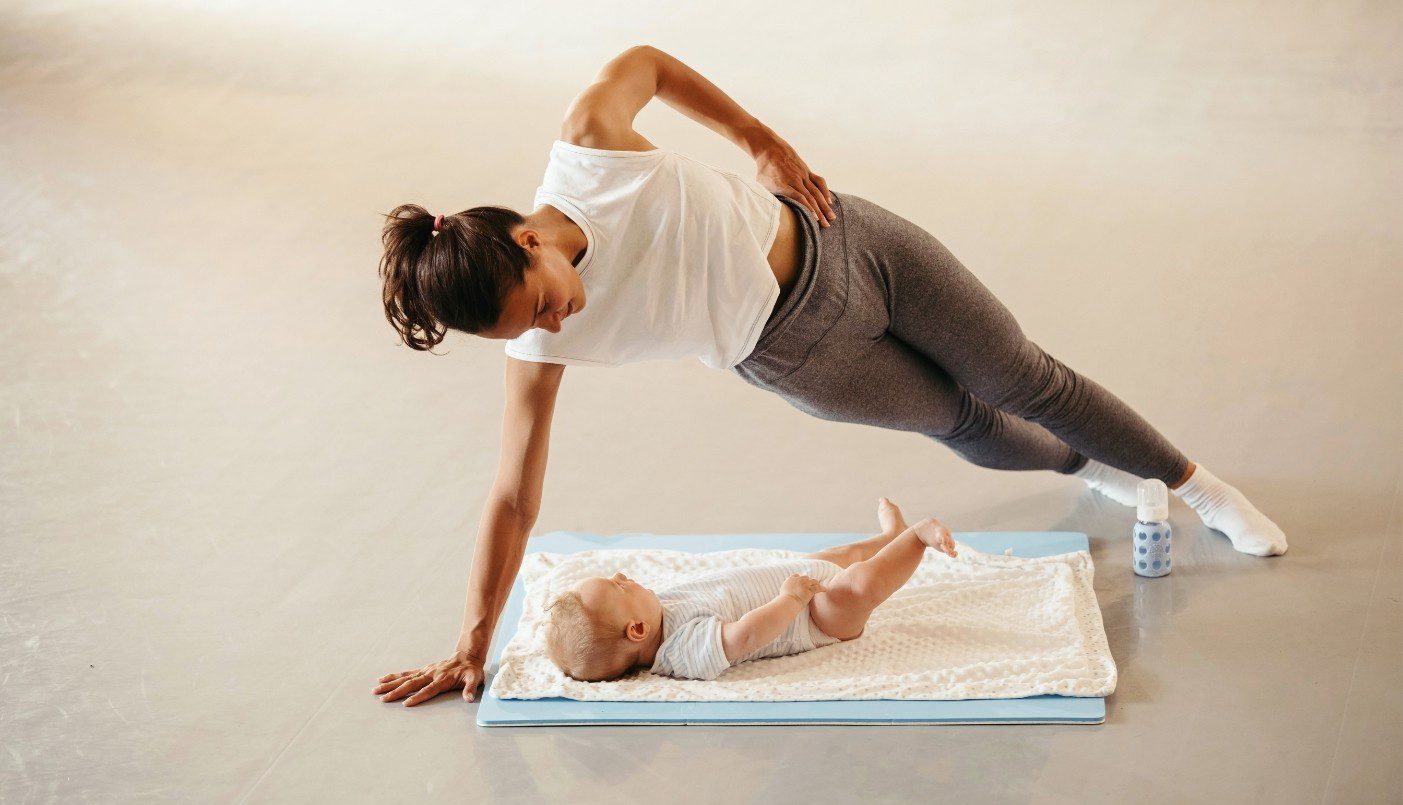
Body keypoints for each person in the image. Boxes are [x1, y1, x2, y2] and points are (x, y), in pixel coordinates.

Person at [371, 45, 1288, 707]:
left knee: (1022, 376)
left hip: (850, 239)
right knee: (963, 423)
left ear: (529, 240)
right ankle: (1088, 468)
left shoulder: (589, 149)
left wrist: (758, 138)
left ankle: (1196, 486)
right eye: (525, 332)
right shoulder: (539, 350)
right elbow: (510, 498)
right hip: (800, 356)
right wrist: (469, 643)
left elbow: (644, 62)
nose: (550, 325)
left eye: (539, 302)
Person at [545, 498, 955, 683]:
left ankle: (890, 535)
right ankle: (916, 539)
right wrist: (792, 599)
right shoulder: (680, 650)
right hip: (813, 620)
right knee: (857, 585)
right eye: (618, 585)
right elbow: (746, 636)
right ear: (636, 631)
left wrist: (794, 584)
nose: (623, 574)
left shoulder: (656, 611)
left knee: (842, 554)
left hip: (796, 578)